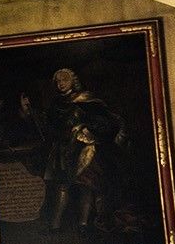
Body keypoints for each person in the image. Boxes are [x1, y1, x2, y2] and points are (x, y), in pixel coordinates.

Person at [20, 67, 124, 233]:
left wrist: (86, 129)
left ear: (73, 81)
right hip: (63, 150)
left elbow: (108, 122)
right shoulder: (56, 104)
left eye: (64, 80)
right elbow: (46, 127)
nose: (61, 84)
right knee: (62, 186)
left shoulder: (87, 99)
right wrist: (29, 111)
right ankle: (55, 225)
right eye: (58, 81)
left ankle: (83, 225)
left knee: (86, 185)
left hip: (85, 150)